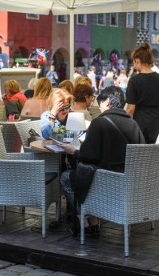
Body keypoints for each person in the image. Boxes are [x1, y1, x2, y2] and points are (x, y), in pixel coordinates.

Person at [59, 87, 145, 234]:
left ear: (108, 102)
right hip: (129, 182)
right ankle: (93, 220)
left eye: (100, 103)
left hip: (105, 181)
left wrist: (73, 151)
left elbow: (87, 156)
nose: (99, 107)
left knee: (66, 178)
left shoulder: (99, 122)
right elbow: (142, 152)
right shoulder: (134, 124)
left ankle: (83, 218)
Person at [125, 43, 159, 144]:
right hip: (157, 124)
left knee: (140, 156)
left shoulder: (134, 80)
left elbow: (131, 109)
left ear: (137, 60)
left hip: (140, 125)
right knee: (155, 156)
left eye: (134, 62)